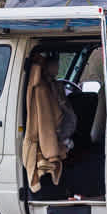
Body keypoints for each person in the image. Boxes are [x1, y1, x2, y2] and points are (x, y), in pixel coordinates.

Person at [21, 51, 73, 191]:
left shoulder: (53, 85)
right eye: (55, 64)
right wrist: (53, 149)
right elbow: (46, 126)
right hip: (52, 138)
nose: (58, 67)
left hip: (60, 134)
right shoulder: (42, 90)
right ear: (47, 66)